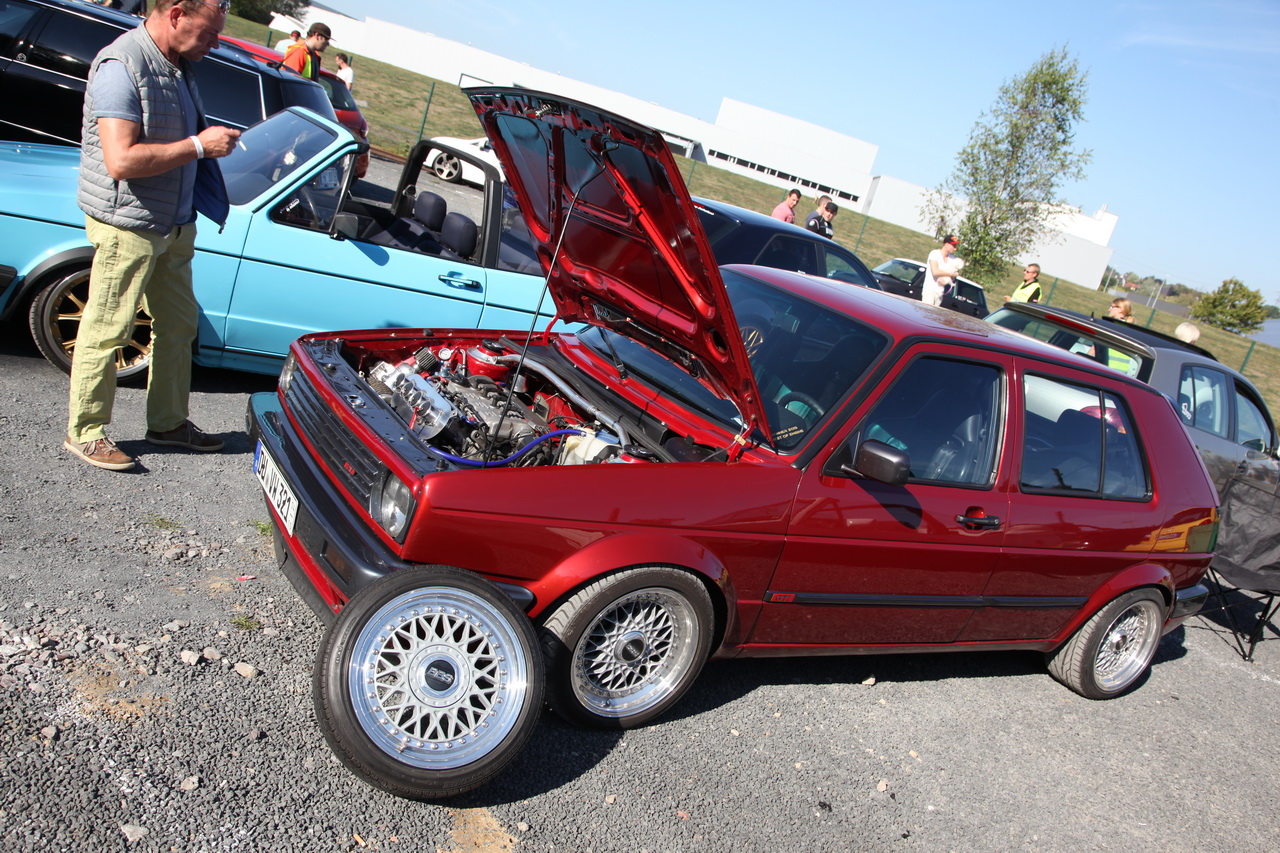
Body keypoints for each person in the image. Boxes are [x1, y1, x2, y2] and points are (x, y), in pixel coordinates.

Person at [65, 0, 241, 471]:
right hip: (128, 225)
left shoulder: (178, 65)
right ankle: (86, 432)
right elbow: (121, 160)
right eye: (208, 33)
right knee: (108, 328)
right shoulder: (122, 65)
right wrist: (199, 146)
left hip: (174, 225)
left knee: (179, 326)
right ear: (177, 14)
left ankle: (167, 423)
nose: (215, 44)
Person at [923, 235, 963, 307]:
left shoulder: (952, 258)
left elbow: (955, 273)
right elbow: (935, 272)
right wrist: (951, 274)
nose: (955, 248)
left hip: (940, 292)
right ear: (946, 244)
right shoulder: (934, 254)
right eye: (953, 245)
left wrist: (952, 276)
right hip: (930, 290)